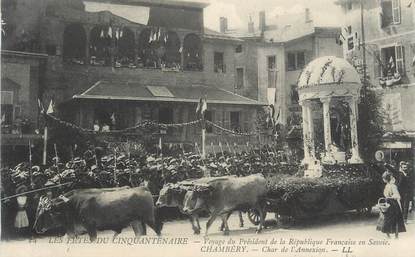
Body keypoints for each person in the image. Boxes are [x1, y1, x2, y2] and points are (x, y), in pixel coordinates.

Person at [377, 172, 406, 238]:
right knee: (386, 219)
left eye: (384, 178)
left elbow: (397, 195)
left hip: (393, 204)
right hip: (388, 203)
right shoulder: (387, 185)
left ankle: (396, 236)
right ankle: (388, 235)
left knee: (394, 220)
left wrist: (390, 197)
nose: (383, 180)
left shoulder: (393, 186)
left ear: (386, 179)